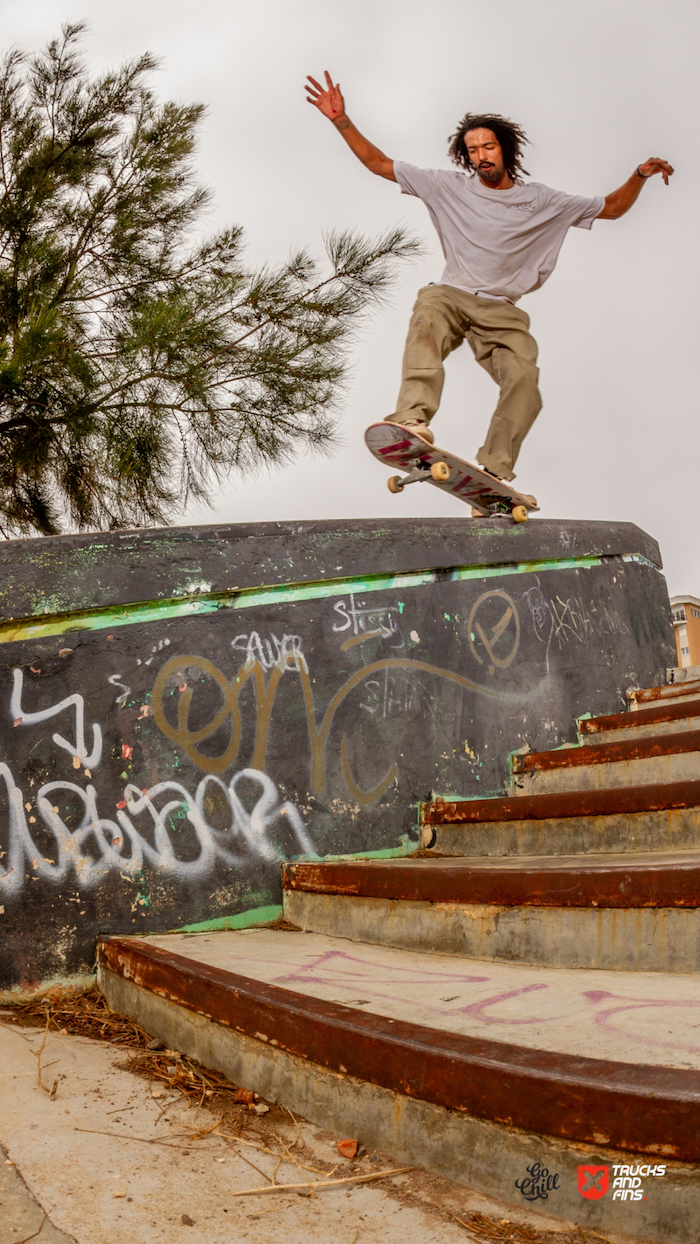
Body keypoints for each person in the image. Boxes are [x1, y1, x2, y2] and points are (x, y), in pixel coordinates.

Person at [305, 71, 674, 493]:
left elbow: (610, 209)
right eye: (472, 150)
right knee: (428, 317)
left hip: (502, 310)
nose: (481, 156)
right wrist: (341, 120)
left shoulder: (543, 201)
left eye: (488, 147)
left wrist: (639, 175)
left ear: (505, 150)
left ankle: (495, 471)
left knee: (525, 383)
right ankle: (412, 417)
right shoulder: (445, 187)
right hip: (453, 294)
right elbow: (378, 164)